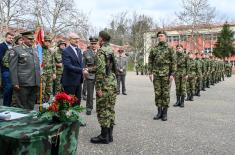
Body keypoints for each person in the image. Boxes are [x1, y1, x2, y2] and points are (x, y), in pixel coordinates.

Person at [90, 31, 117, 144]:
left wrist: (99, 88)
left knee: (102, 110)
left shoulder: (101, 51)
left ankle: (104, 136)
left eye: (99, 38)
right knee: (110, 109)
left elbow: (101, 71)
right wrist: (89, 69)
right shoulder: (110, 50)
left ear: (101, 39)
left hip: (104, 84)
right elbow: (112, 67)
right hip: (112, 82)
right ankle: (109, 135)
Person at [148, 30, 176, 121]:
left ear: (165, 37)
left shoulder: (170, 48)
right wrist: (150, 72)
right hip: (156, 74)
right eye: (159, 36)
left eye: (162, 35)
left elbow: (174, 62)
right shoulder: (154, 48)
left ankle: (165, 113)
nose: (160, 37)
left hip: (166, 75)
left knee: (166, 94)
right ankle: (159, 112)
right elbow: (150, 60)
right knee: (157, 93)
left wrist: (172, 74)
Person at [9, 31, 40, 110]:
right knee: (21, 106)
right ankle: (22, 122)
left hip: (34, 82)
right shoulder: (16, 50)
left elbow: (36, 66)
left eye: (33, 39)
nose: (32, 40)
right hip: (22, 83)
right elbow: (13, 68)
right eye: (29, 39)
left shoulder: (35, 50)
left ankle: (29, 121)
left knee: (31, 104)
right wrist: (15, 82)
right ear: (23, 39)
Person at [62, 33, 83, 106]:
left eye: (78, 38)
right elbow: (68, 66)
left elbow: (80, 64)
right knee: (69, 103)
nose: (77, 40)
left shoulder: (79, 50)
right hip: (69, 81)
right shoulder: (66, 51)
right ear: (69, 40)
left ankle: (76, 117)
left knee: (77, 102)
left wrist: (84, 69)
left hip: (78, 81)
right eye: (75, 39)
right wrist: (82, 70)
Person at [83, 36, 98, 115]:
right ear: (90, 44)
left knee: (99, 92)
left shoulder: (101, 52)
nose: (93, 45)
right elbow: (83, 65)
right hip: (90, 75)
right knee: (90, 93)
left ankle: (99, 108)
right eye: (92, 43)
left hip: (99, 75)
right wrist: (84, 71)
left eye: (95, 43)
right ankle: (89, 108)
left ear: (97, 44)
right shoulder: (86, 53)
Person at [0, 32, 14, 106]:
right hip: (6, 71)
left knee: (12, 89)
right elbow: (1, 59)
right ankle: (5, 106)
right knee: (7, 88)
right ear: (6, 37)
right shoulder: (1, 46)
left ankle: (10, 106)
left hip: (13, 71)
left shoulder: (13, 47)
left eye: (12, 38)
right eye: (9, 38)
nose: (11, 39)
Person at [41, 35, 56, 103]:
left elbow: (53, 62)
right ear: (43, 41)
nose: (47, 43)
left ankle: (46, 103)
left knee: (49, 89)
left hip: (49, 73)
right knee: (42, 89)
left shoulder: (50, 51)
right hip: (42, 73)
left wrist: (54, 73)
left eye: (49, 41)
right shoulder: (39, 50)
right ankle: (41, 103)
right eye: (46, 41)